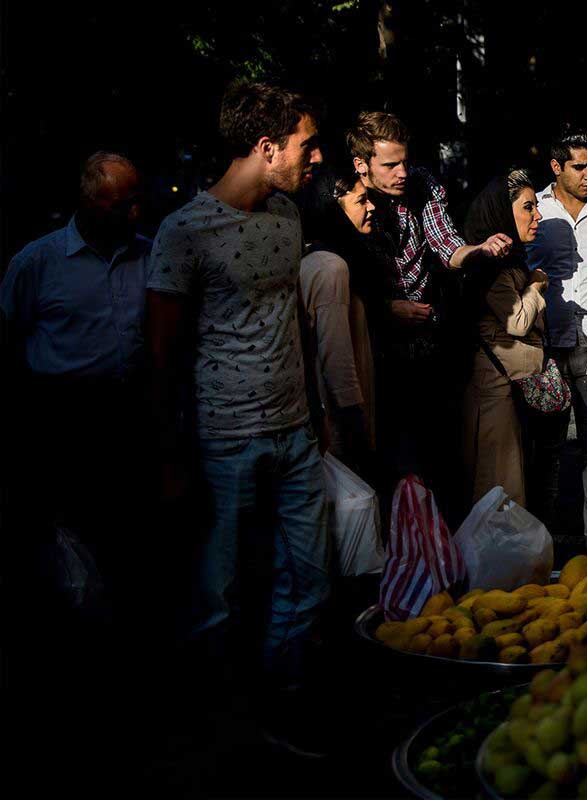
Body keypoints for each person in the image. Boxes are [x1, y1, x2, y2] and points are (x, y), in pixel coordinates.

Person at [145, 82, 330, 756]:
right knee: (218, 595)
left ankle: (284, 704)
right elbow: (161, 353)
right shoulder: (185, 230)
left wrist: (316, 417)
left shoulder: (287, 214)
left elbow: (293, 325)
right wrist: (170, 456)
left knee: (308, 577)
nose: (315, 158)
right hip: (224, 440)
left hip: (294, 431)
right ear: (266, 146)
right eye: (305, 145)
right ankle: (215, 733)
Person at [1, 151, 152, 616]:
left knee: (131, 537)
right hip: (64, 416)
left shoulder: (148, 255)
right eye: (119, 205)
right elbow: (11, 336)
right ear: (88, 204)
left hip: (132, 411)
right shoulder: (37, 263)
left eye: (135, 201)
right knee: (71, 542)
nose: (134, 213)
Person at [346, 111, 510, 496]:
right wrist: (383, 309)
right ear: (361, 165)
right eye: (390, 164)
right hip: (371, 345)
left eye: (405, 160)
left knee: (435, 454)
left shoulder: (421, 184)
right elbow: (339, 272)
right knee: (383, 458)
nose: (403, 171)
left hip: (426, 342)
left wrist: (479, 250)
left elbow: (446, 245)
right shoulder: (346, 198)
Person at [527, 129, 587, 554]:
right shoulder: (536, 210)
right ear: (556, 167)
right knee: (544, 447)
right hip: (545, 351)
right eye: (579, 167)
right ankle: (539, 539)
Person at [461, 169, 548, 510]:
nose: (537, 215)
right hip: (491, 396)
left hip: (504, 389)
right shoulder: (493, 267)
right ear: (502, 211)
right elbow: (516, 321)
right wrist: (538, 286)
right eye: (528, 207)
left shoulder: (510, 260)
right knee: (498, 486)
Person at [298, 170, 377, 474]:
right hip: (339, 430)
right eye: (361, 201)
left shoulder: (317, 260)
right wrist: (358, 429)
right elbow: (337, 358)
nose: (371, 208)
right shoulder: (330, 268)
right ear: (333, 210)